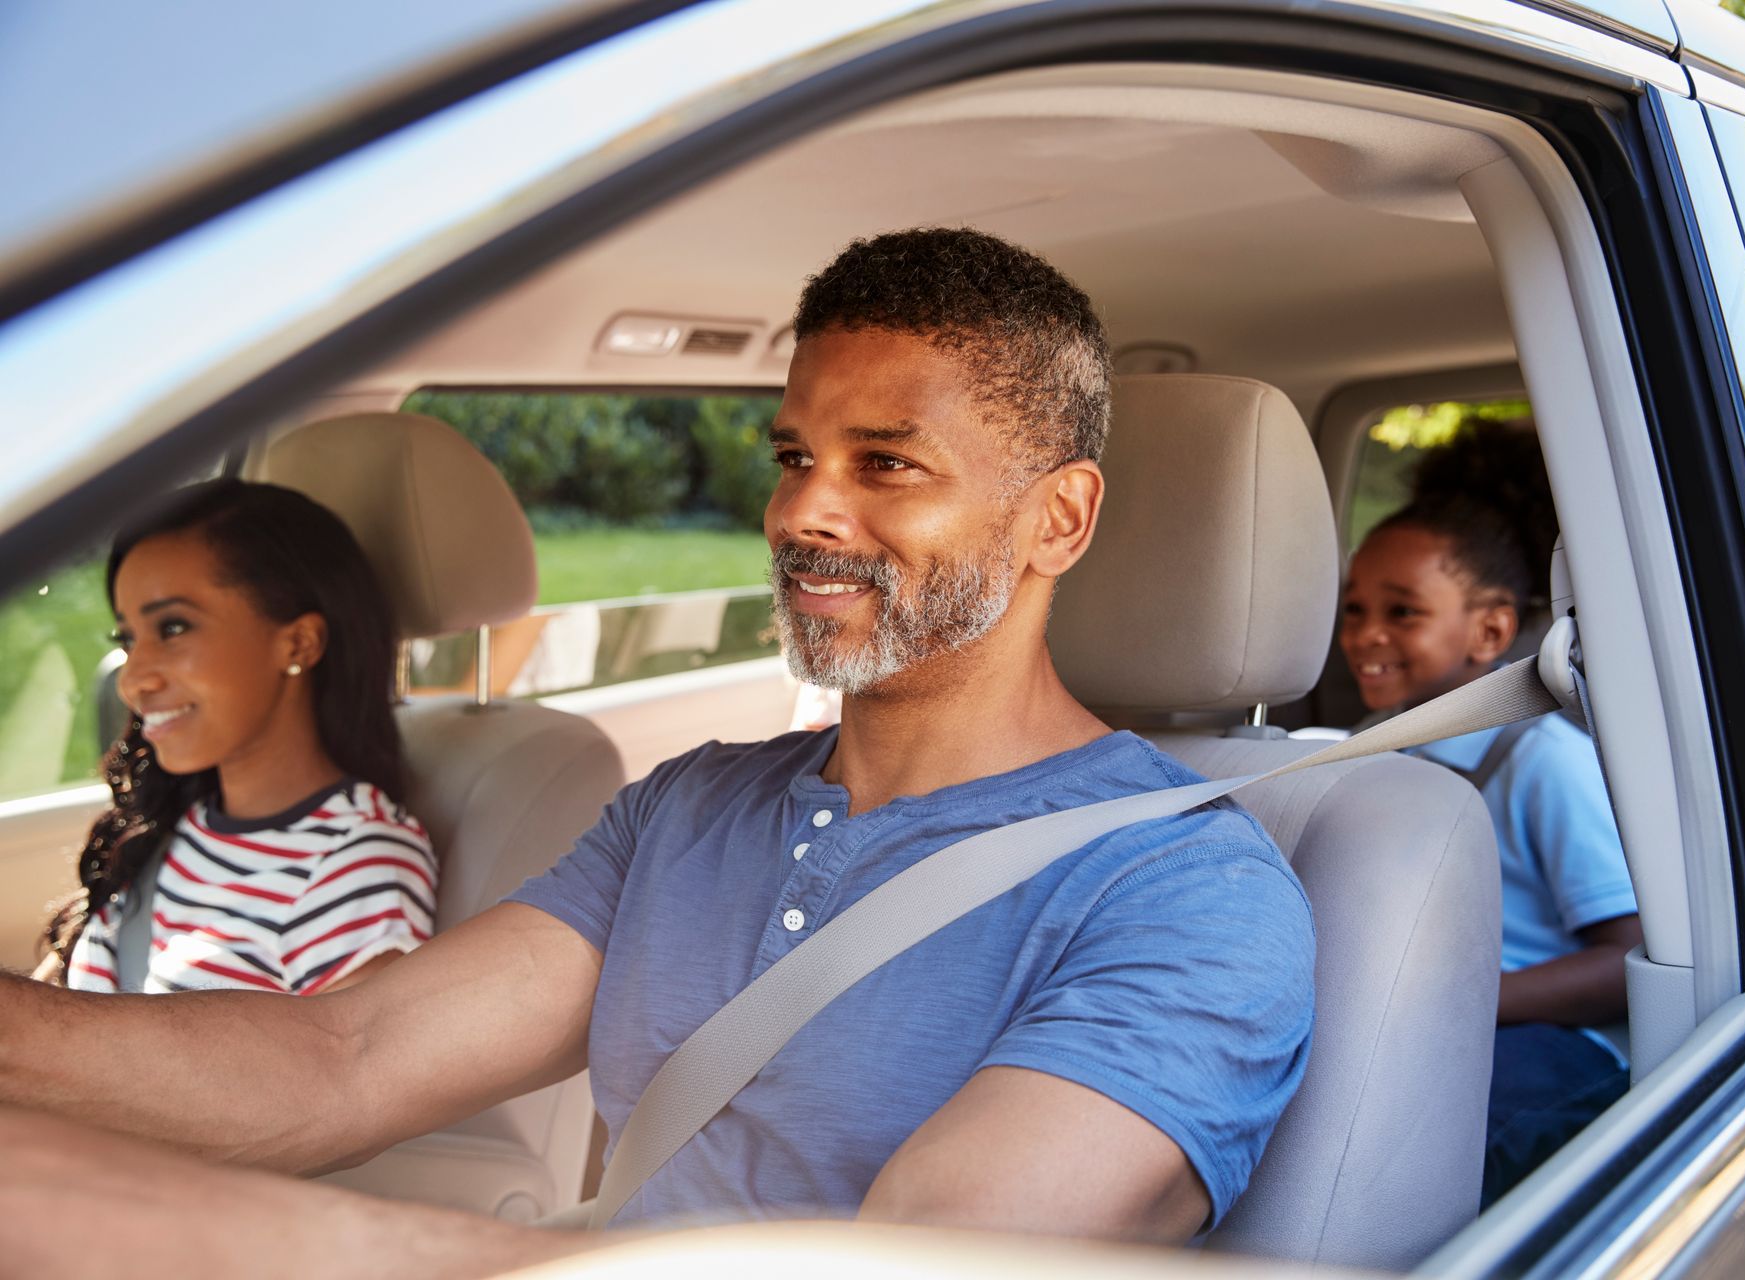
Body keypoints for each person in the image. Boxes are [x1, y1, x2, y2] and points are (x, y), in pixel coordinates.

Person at [0, 227, 1313, 1278]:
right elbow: (345, 1058)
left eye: (887, 464)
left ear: (1058, 521)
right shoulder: (688, 806)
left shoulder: (1189, 892)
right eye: (794, 454)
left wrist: (197, 1235)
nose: (803, 508)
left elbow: (919, 1260)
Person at [1337, 423, 1640, 1206]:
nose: (1366, 635)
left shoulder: (1540, 761)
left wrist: (1471, 1004)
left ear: (1492, 630)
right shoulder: (1367, 750)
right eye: (1354, 609)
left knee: (1411, 1173)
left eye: (1402, 613)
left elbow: (1626, 957)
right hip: (1418, 1024)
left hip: (1554, 1043)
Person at [34, 480, 435, 996]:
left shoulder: (356, 867)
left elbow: (346, 1073)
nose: (133, 680)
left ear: (298, 642)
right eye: (129, 640)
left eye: (174, 629)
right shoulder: (175, 820)